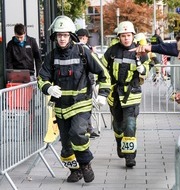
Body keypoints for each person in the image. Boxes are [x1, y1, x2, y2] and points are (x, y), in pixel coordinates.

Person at [37, 15, 111, 183]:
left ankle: (85, 164)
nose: (62, 38)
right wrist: (49, 87)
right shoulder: (51, 56)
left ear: (71, 35)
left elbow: (103, 73)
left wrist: (103, 94)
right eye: (59, 35)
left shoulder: (83, 51)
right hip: (61, 108)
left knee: (77, 133)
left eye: (65, 35)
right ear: (55, 37)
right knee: (66, 146)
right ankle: (74, 170)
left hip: (81, 104)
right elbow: (42, 78)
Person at [101, 21, 150, 168]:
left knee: (130, 124)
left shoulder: (140, 51)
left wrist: (143, 70)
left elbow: (147, 70)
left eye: (128, 35)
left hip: (131, 93)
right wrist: (101, 88)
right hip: (115, 94)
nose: (126, 38)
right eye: (123, 36)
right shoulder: (111, 51)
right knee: (117, 125)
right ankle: (119, 142)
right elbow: (102, 69)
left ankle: (130, 157)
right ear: (119, 37)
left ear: (133, 36)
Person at [76, 28, 100, 138]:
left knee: (87, 106)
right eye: (81, 38)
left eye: (84, 38)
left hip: (87, 81)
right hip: (81, 82)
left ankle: (89, 128)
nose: (83, 40)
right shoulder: (78, 50)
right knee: (83, 106)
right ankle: (86, 129)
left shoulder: (87, 49)